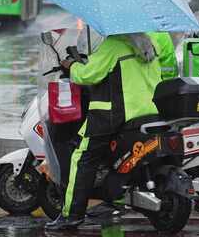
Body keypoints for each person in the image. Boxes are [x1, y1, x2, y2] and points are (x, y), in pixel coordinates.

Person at [45, 34, 162, 231]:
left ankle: (71, 215)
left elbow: (87, 75)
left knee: (82, 158)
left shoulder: (113, 45)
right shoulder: (150, 42)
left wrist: (71, 65)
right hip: (150, 110)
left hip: (114, 114)